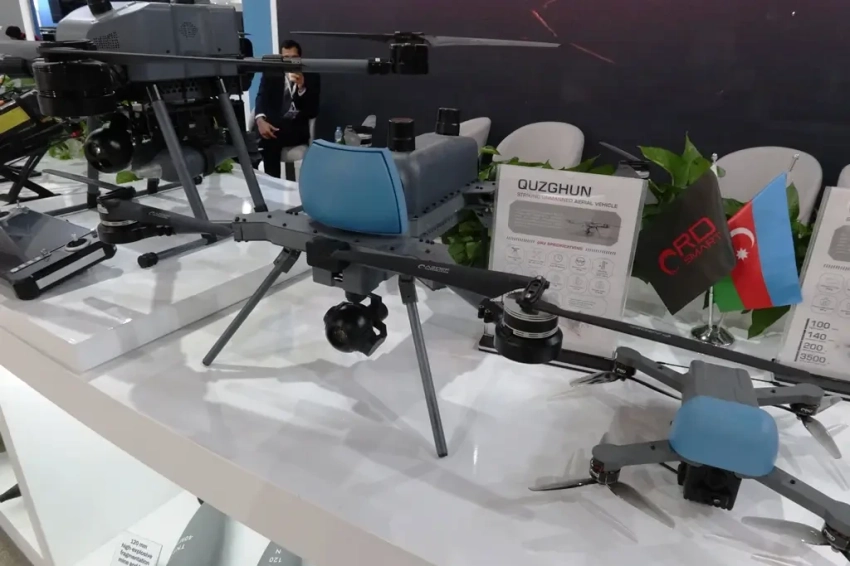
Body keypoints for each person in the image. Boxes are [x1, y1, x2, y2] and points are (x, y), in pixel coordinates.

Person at [254, 39, 321, 179]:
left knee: (269, 140)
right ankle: (267, 181)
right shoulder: (272, 73)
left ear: (300, 58)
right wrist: (260, 120)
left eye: (294, 57)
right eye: (286, 58)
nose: (290, 61)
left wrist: (302, 88)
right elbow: (261, 97)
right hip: (275, 124)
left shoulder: (312, 75)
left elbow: (312, 110)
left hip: (296, 127)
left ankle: (272, 182)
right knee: (265, 135)